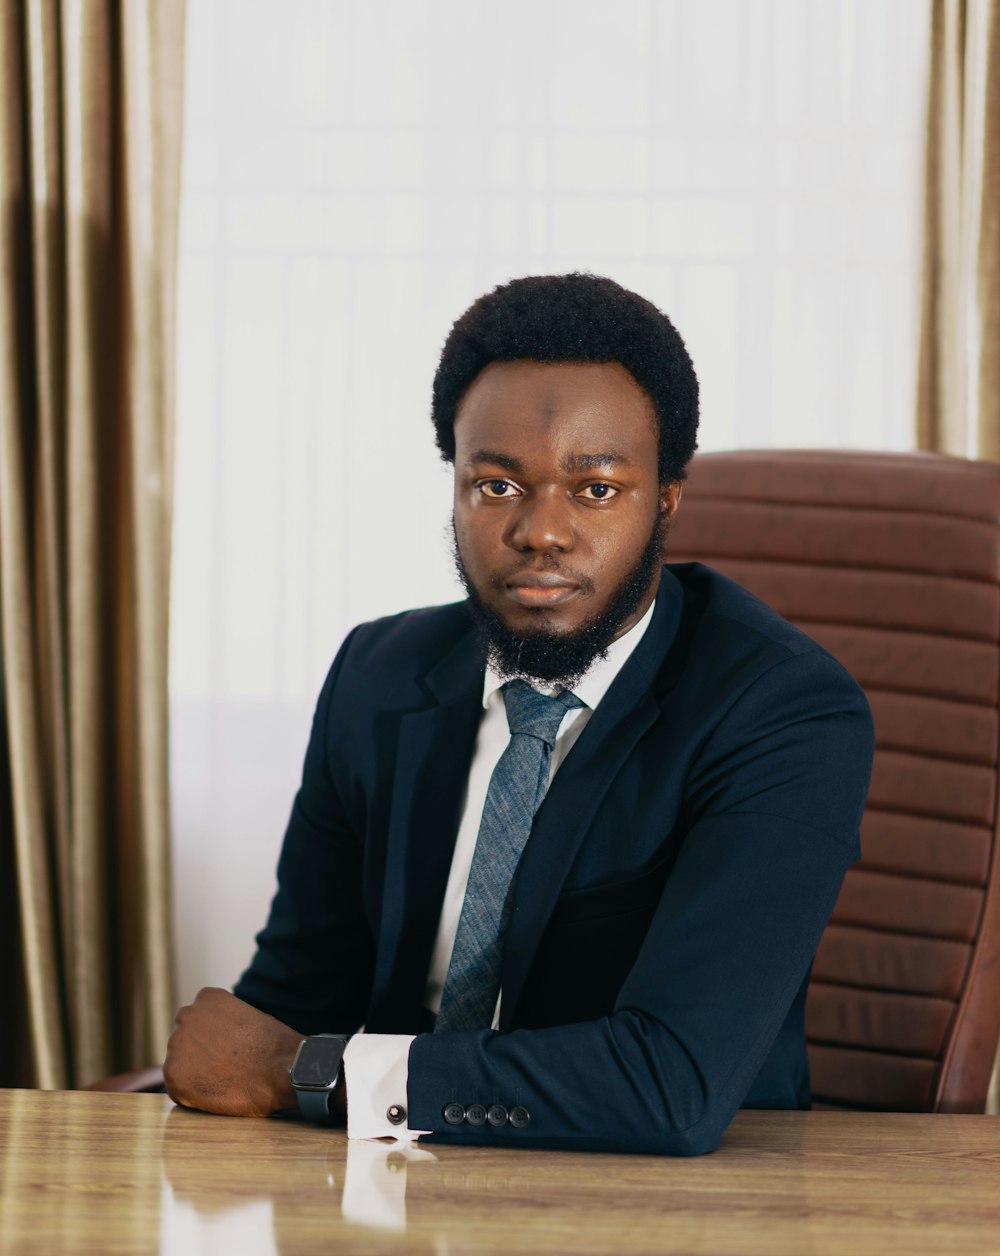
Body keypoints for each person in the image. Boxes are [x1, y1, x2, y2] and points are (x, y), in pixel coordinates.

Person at [164, 273, 874, 1156]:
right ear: (454, 488)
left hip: (672, 1211)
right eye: (497, 486)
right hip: (384, 1195)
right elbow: (291, 1003)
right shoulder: (378, 675)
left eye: (597, 489)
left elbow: (673, 1086)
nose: (541, 530)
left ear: (667, 498)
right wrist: (259, 1066)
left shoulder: (782, 712)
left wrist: (318, 1075)